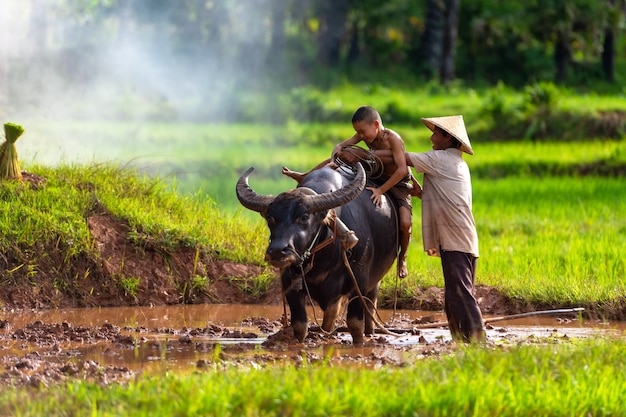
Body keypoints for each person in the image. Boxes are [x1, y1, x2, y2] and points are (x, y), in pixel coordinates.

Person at [377, 115, 485, 343]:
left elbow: (401, 159)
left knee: (461, 295)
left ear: (448, 138)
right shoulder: (458, 163)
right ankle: (461, 343)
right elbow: (449, 197)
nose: (431, 136)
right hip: (462, 237)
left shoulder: (441, 159)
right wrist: (421, 194)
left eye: (436, 133)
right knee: (455, 297)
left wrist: (364, 155)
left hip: (456, 238)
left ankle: (479, 342)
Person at [282, 106, 415, 278]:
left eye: (363, 131)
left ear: (376, 124)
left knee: (405, 223)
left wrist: (381, 190)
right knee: (341, 158)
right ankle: (304, 176)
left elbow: (402, 170)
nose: (361, 136)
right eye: (357, 132)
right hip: (372, 174)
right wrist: (335, 156)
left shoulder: (393, 139)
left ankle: (402, 258)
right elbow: (340, 145)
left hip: (397, 183)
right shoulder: (363, 134)